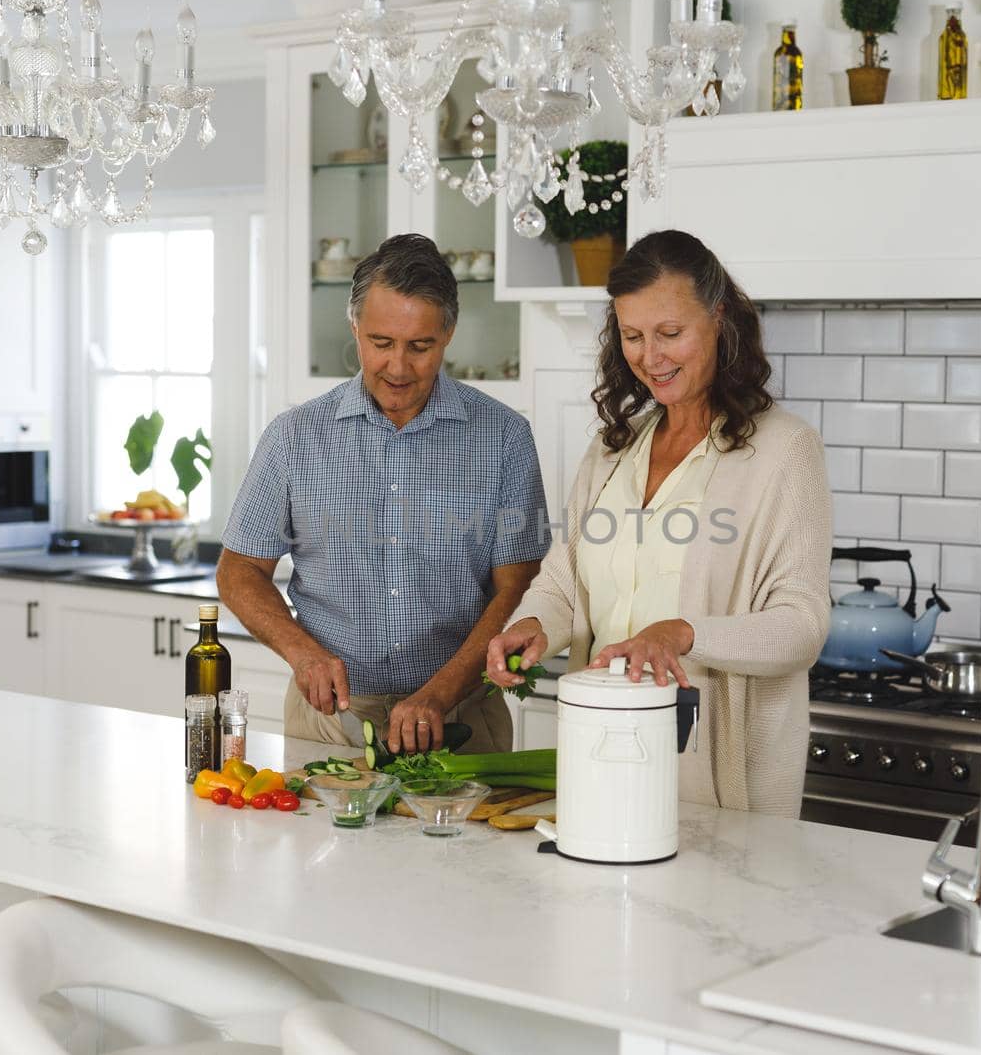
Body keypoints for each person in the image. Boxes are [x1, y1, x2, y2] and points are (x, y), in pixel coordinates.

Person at [485, 229, 832, 815]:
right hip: (602, 756)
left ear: (719, 320)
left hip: (707, 775)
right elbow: (563, 582)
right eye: (633, 336)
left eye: (670, 333)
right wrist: (533, 624)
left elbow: (802, 626)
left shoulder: (784, 450)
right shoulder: (612, 449)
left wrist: (685, 633)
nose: (651, 357)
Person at [219, 234, 549, 755]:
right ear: (355, 328)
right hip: (331, 720)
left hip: (463, 719)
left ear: (448, 334)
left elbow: (520, 586)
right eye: (380, 343)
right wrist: (302, 653)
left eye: (420, 346)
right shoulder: (294, 436)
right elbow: (238, 571)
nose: (398, 367)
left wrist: (439, 695)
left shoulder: (505, 437)